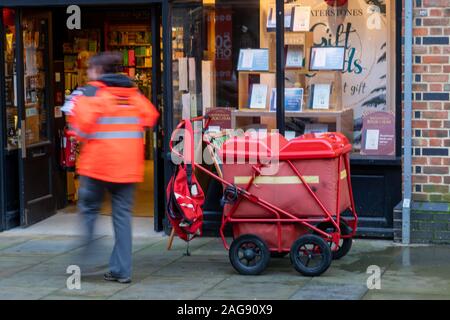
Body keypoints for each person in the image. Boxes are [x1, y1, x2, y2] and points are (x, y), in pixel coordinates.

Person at [65, 52, 159, 283]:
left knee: (88, 211)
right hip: (127, 168)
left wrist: (73, 118)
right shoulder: (133, 92)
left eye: (89, 69)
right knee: (122, 217)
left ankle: (85, 259)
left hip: (98, 166)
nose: (87, 73)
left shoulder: (93, 92)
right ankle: (122, 270)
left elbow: (82, 129)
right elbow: (150, 116)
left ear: (98, 71)